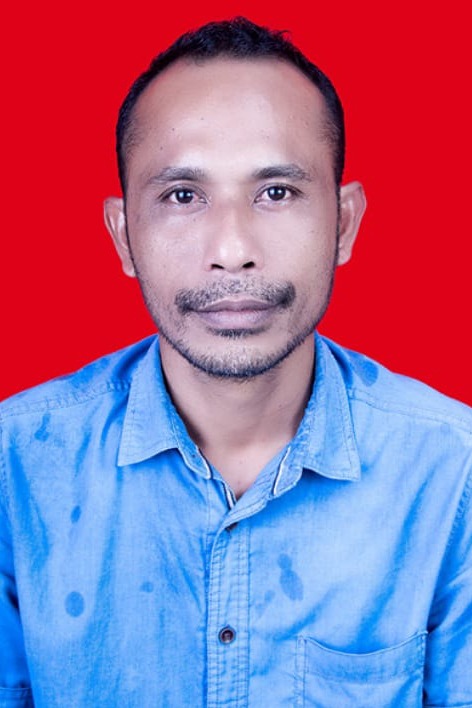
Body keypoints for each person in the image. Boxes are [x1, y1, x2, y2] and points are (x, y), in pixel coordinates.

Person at [0, 16, 471, 708]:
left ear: (344, 223)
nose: (232, 250)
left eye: (276, 192)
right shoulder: (16, 469)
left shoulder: (452, 474)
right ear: (123, 236)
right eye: (183, 196)